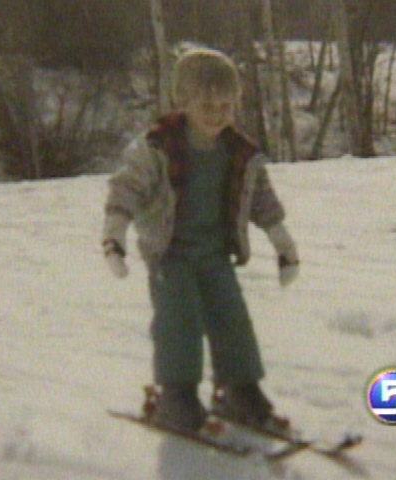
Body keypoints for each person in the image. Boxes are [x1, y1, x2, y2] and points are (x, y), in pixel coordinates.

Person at [101, 48, 299, 432]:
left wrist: (284, 245)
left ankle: (240, 391)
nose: (217, 113)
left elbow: (262, 201)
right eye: (206, 103)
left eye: (226, 104)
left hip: (215, 256)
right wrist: (114, 236)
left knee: (233, 320)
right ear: (184, 101)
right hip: (170, 256)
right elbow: (126, 189)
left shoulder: (239, 152)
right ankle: (177, 396)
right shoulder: (158, 148)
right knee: (180, 321)